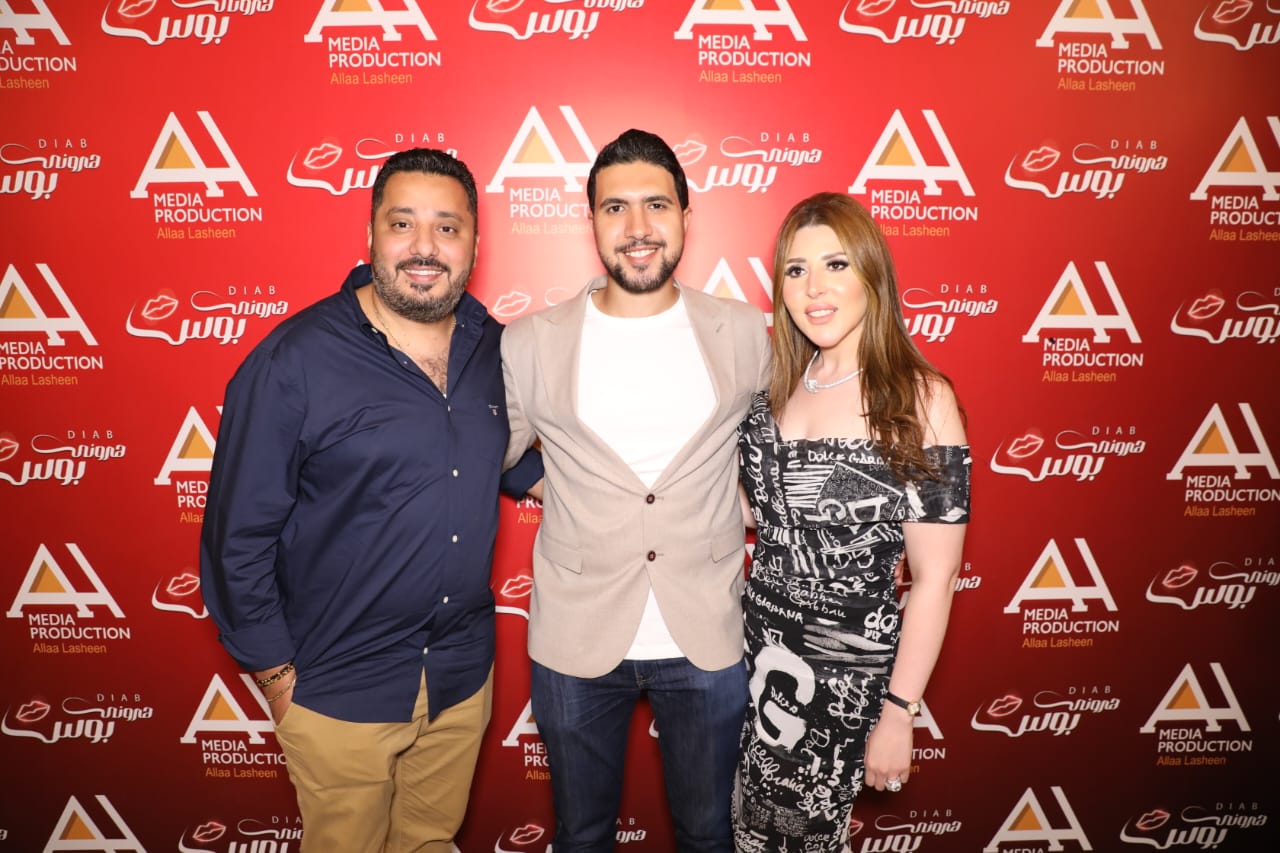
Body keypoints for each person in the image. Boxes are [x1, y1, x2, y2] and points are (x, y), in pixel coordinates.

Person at [200, 148, 541, 853]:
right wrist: (277, 676)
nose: (425, 247)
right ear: (371, 234)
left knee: (429, 843)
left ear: (475, 242)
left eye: (447, 227)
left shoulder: (498, 352)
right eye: (403, 223)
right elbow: (237, 535)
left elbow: (527, 465)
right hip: (337, 687)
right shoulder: (295, 359)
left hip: (459, 680)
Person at [501, 128, 771, 851]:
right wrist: (557, 487)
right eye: (615, 207)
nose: (638, 227)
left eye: (656, 204)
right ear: (591, 221)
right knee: (581, 834)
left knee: (709, 833)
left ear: (686, 216)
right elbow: (486, 451)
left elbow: (779, 449)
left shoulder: (745, 331)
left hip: (709, 628)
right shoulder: (529, 342)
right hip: (575, 633)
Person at [731, 192, 970, 851]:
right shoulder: (776, 386)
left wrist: (899, 713)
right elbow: (760, 512)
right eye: (796, 269)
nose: (814, 287)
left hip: (840, 680)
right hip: (751, 661)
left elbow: (936, 576)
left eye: (835, 264)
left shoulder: (922, 398)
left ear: (872, 273)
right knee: (746, 833)